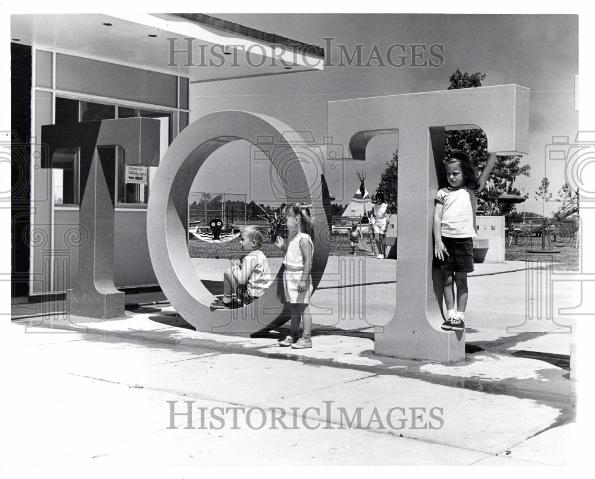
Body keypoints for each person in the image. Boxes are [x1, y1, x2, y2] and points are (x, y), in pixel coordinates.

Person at [433, 150, 497, 331]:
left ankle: (460, 317)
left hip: (463, 242)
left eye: (455, 173)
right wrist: (438, 241)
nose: (451, 177)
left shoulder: (470, 190)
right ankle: (451, 315)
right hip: (445, 242)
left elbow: (486, 171)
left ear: (464, 173)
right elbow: (437, 218)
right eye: (448, 174)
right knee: (446, 280)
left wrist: (494, 150)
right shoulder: (442, 193)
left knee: (461, 280)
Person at [275, 202, 314, 349]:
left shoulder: (304, 239)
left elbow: (308, 261)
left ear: (296, 220)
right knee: (294, 308)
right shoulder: (294, 238)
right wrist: (283, 248)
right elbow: (291, 257)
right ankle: (294, 334)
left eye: (287, 218)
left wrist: (304, 279)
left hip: (299, 276)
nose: (286, 221)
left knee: (303, 307)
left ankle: (307, 338)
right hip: (290, 276)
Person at [210, 226, 271, 309]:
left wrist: (235, 266)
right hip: (263, 296)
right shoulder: (261, 255)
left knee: (228, 272)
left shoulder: (250, 258)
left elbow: (241, 280)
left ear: (253, 243)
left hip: (251, 299)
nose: (240, 242)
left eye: (242, 239)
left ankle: (226, 301)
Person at [370, 193, 388, 259]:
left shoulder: (386, 205)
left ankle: (383, 253)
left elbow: (389, 213)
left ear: (382, 199)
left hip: (383, 222)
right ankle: (380, 253)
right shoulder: (374, 205)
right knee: (377, 238)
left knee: (381, 238)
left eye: (380, 198)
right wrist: (372, 222)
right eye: (377, 198)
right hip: (376, 222)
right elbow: (372, 214)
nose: (378, 199)